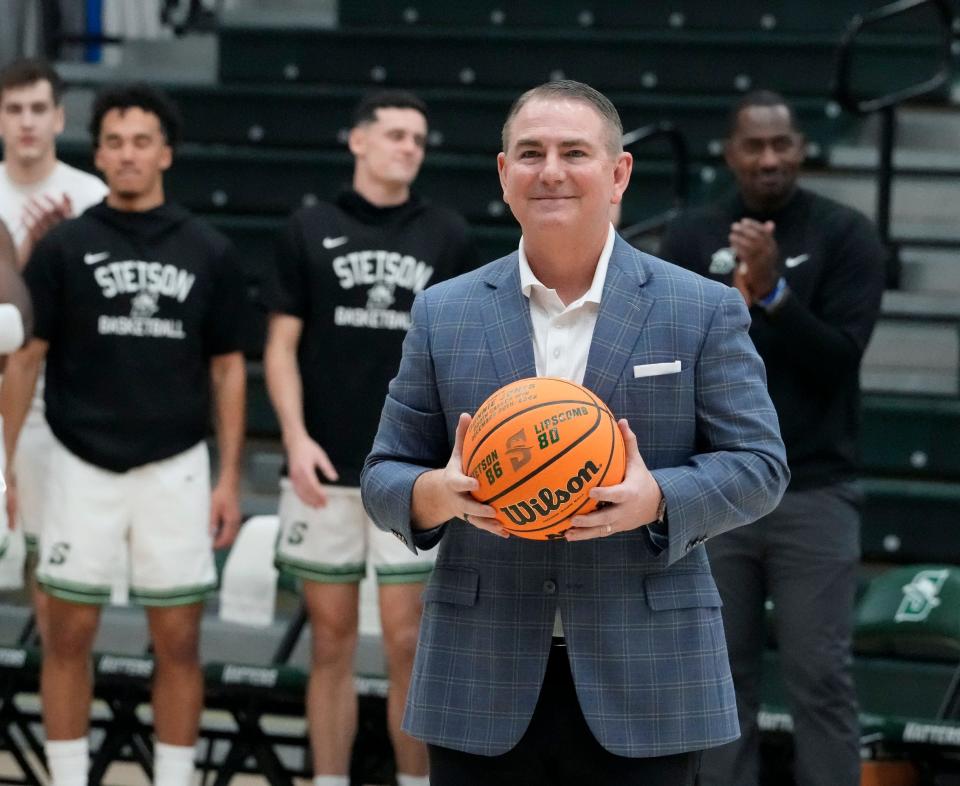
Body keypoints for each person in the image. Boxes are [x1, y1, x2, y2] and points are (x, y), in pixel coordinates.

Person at [360, 79, 790, 786]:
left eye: (574, 152)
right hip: (480, 670)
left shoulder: (700, 308)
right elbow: (382, 476)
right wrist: (438, 493)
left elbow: (761, 466)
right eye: (529, 153)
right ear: (504, 175)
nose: (551, 171)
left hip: (648, 673)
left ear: (618, 173)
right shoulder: (446, 312)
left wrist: (658, 499)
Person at [0, 83, 246, 786]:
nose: (128, 154)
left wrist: (229, 476)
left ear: (165, 152)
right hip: (80, 463)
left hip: (175, 467)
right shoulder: (64, 248)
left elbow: (229, 371)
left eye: (142, 141)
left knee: (180, 640)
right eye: (114, 141)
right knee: (66, 636)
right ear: (99, 154)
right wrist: (7, 463)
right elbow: (25, 359)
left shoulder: (211, 250)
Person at [659, 90, 886, 786]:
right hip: (717, 490)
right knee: (718, 681)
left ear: (801, 149)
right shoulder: (693, 239)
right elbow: (672, 357)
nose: (769, 159)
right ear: (729, 153)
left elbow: (839, 359)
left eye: (782, 144)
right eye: (753, 147)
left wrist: (774, 296)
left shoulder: (844, 234)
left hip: (813, 489)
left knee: (819, 677)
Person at [264, 89, 477, 786]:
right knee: (328, 643)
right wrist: (293, 438)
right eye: (394, 134)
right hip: (323, 467)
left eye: (418, 138)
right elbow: (280, 346)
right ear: (357, 141)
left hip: (411, 474)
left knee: (408, 642)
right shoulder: (308, 226)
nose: (409, 147)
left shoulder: (446, 233)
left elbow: (462, 356)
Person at [0, 57, 110, 613]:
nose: (26, 122)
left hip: (56, 413)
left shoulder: (91, 198)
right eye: (14, 109)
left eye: (38, 109)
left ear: (59, 118)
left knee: (54, 585)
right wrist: (24, 262)